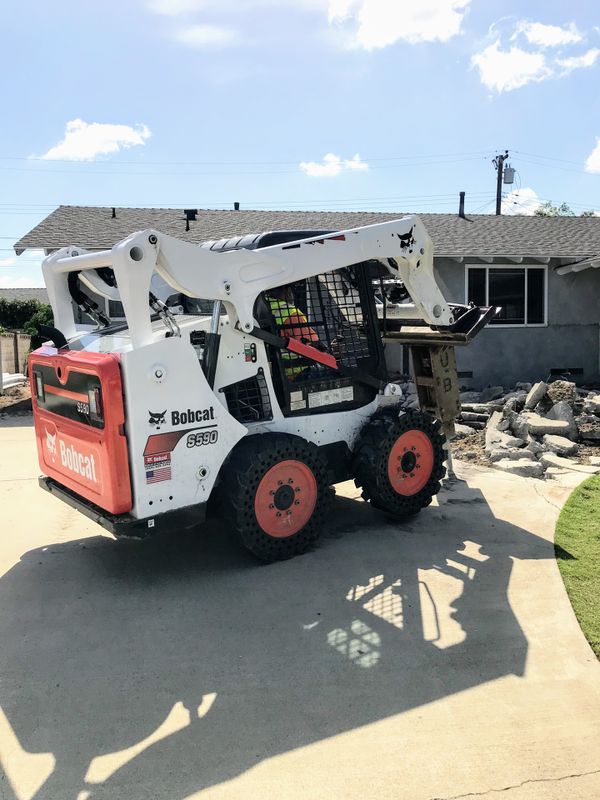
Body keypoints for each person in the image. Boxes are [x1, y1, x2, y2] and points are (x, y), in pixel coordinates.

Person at [266, 284, 340, 380]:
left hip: (277, 372)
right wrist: (332, 351)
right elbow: (313, 345)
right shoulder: (289, 312)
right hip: (297, 372)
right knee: (340, 374)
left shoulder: (264, 306)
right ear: (288, 291)